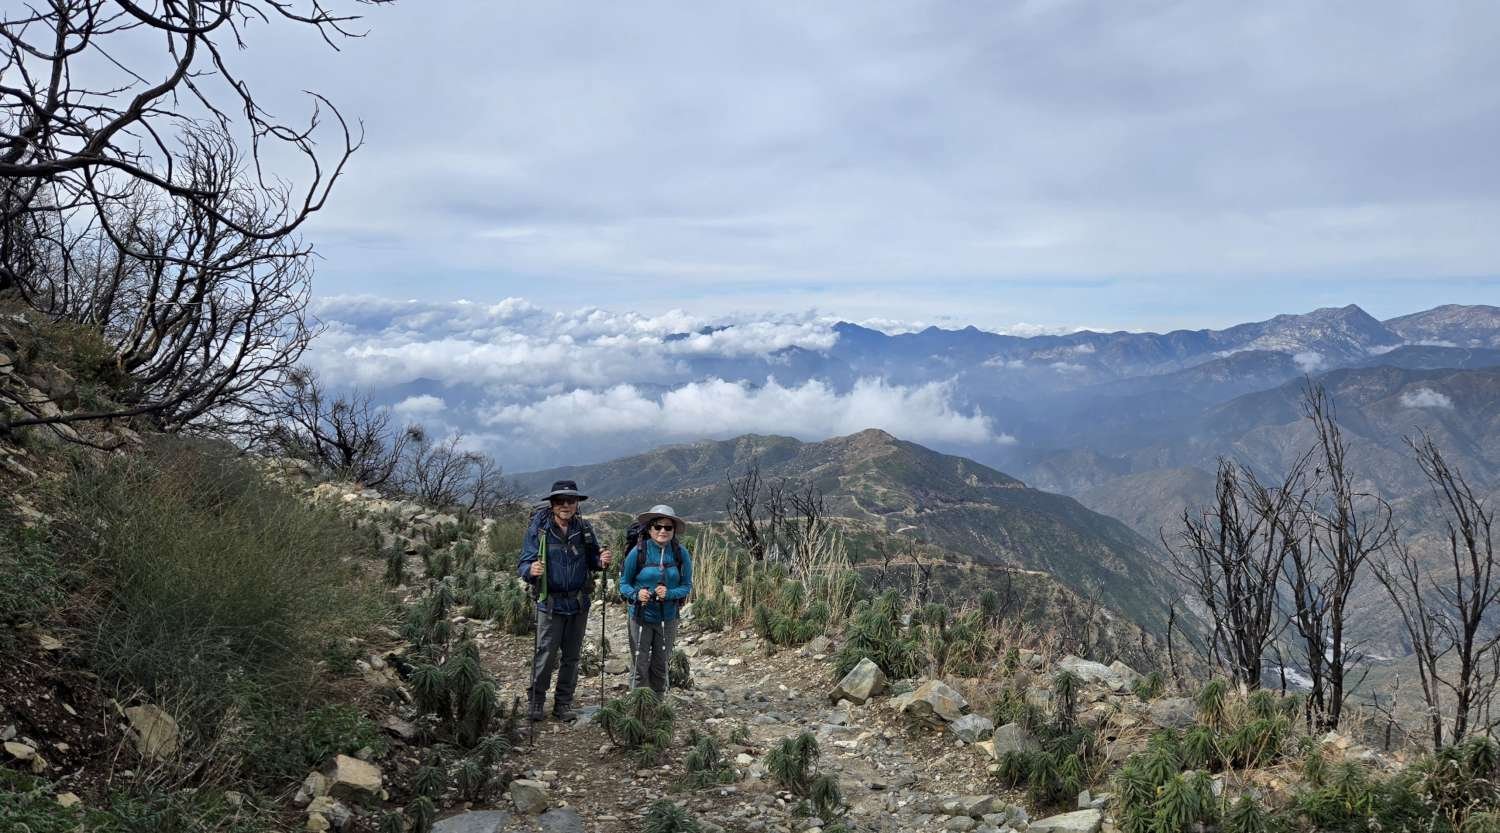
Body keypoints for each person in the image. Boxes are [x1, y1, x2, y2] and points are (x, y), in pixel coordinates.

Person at [517, 480, 612, 722]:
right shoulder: (540, 530)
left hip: (578, 603)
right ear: (552, 504)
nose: (566, 505)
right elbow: (523, 563)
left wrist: (601, 560)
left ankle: (563, 703)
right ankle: (536, 701)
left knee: (572, 656)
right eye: (560, 501)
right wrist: (530, 570)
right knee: (546, 654)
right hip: (550, 603)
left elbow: (592, 560)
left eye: (571, 501)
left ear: (577, 503)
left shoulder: (584, 529)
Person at [619, 504, 693, 696]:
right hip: (640, 616)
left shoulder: (680, 553)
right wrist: (637, 594)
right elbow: (624, 584)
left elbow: (686, 586)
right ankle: (639, 702)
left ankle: (658, 702)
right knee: (639, 663)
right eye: (658, 526)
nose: (662, 531)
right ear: (649, 528)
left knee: (661, 664)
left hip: (668, 617)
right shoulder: (638, 551)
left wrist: (669, 594)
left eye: (668, 527)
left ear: (673, 530)